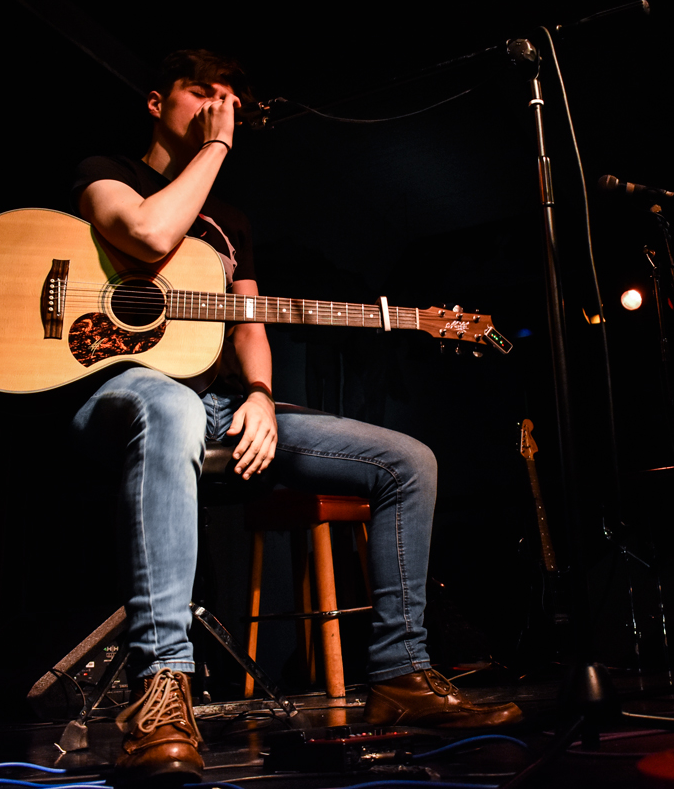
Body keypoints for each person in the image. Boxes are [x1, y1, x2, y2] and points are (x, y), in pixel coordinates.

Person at [69, 50, 521, 784]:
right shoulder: (105, 169)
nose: (220, 108)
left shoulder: (231, 222)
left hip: (217, 401)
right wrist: (217, 146)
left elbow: (249, 322)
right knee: (173, 404)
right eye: (202, 93)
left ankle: (402, 675)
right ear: (157, 101)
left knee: (410, 460)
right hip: (120, 393)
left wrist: (256, 395)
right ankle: (162, 687)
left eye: (230, 102)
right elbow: (149, 234)